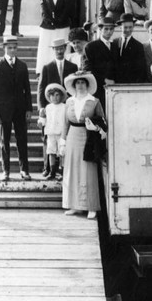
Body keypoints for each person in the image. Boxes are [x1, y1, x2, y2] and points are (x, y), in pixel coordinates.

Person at [62, 71, 106, 218]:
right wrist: (62, 141)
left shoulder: (94, 101)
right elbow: (65, 123)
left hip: (88, 138)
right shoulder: (69, 101)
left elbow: (103, 122)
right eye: (77, 83)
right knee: (72, 170)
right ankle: (75, 206)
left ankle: (91, 206)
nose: (80, 85)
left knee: (88, 170)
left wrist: (96, 128)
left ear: (87, 84)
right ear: (74, 85)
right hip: (72, 137)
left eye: (83, 82)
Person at [0, 35, 32, 181]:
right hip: (3, 111)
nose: (12, 50)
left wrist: (29, 109)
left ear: (17, 48)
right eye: (9, 48)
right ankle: (5, 171)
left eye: (14, 47)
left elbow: (27, 89)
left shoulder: (23, 66)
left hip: (20, 110)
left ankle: (24, 170)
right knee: (4, 141)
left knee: (22, 140)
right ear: (4, 48)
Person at [37, 38, 78, 176]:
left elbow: (74, 88)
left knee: (64, 138)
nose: (59, 51)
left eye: (62, 48)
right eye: (57, 49)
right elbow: (41, 88)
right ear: (53, 50)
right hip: (51, 108)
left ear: (65, 49)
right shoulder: (47, 67)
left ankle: (63, 169)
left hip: (66, 107)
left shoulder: (72, 67)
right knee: (49, 139)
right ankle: (47, 168)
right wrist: (42, 107)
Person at [35, 0, 72, 75]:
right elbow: (43, 8)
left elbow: (67, 8)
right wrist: (50, 20)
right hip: (48, 25)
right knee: (46, 47)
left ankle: (63, 70)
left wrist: (60, 20)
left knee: (63, 46)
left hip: (63, 24)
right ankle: (43, 71)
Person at [82, 17, 116, 111]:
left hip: (114, 90)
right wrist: (104, 80)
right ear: (100, 29)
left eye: (111, 29)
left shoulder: (115, 46)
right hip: (97, 89)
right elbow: (87, 70)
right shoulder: (90, 47)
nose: (109, 32)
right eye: (106, 29)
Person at [37, 83, 66, 180]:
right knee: (51, 151)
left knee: (62, 152)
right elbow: (43, 119)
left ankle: (62, 171)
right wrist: (41, 122)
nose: (55, 97)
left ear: (61, 96)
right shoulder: (48, 108)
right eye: (52, 95)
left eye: (57, 95)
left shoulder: (64, 107)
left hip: (61, 133)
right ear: (49, 97)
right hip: (51, 132)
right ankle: (52, 171)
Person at [112, 13, 147, 83]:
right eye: (125, 27)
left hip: (131, 84)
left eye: (130, 27)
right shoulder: (113, 43)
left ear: (133, 27)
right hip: (115, 84)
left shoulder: (138, 46)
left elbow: (141, 70)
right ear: (120, 27)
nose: (128, 30)